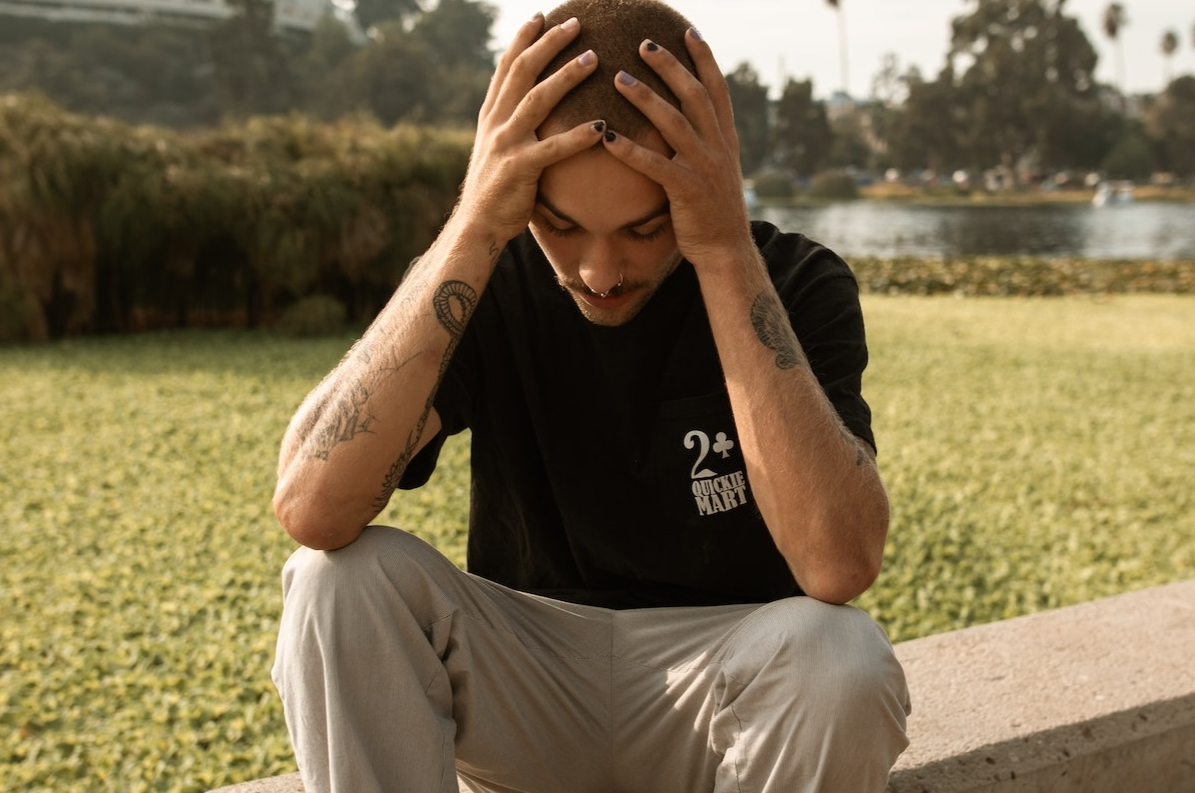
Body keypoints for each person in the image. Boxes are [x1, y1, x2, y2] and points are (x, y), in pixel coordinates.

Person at [270, 1, 911, 791]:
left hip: (724, 684)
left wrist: (718, 246)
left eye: (644, 230)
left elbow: (838, 563)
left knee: (840, 659)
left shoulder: (795, 283)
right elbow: (310, 508)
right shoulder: (486, 282)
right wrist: (472, 225)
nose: (599, 273)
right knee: (335, 583)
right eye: (560, 225)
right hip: (528, 682)